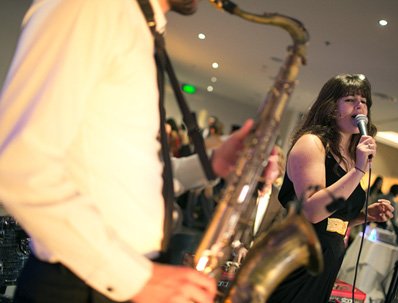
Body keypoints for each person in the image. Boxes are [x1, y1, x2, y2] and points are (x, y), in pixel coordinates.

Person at [0, 0, 288, 302]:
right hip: (83, 283)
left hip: (114, 279)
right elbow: (19, 166)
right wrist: (137, 278)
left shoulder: (139, 25)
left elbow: (132, 174)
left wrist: (212, 164)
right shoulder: (92, 7)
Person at [271, 74, 395, 303]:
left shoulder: (351, 154)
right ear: (330, 107)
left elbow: (332, 221)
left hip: (326, 263)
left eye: (364, 101)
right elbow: (313, 212)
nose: (359, 106)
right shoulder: (312, 143)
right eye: (350, 99)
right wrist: (357, 171)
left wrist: (363, 216)